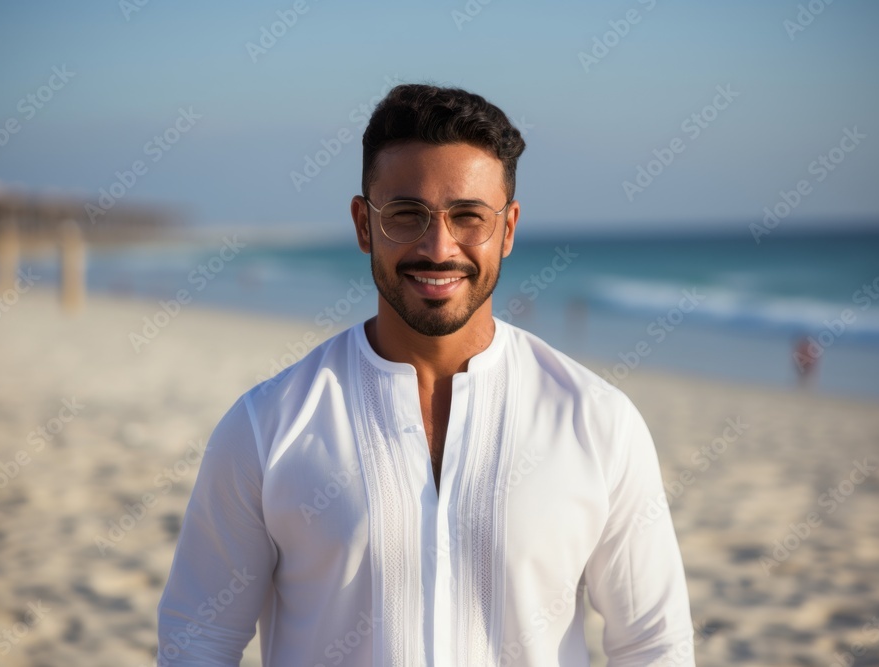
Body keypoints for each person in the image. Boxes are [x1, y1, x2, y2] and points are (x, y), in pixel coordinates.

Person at [157, 83, 694, 666]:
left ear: (508, 229)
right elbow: (198, 639)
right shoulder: (267, 425)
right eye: (407, 215)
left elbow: (652, 644)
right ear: (364, 225)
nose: (439, 247)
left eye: (469, 217)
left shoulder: (597, 422)